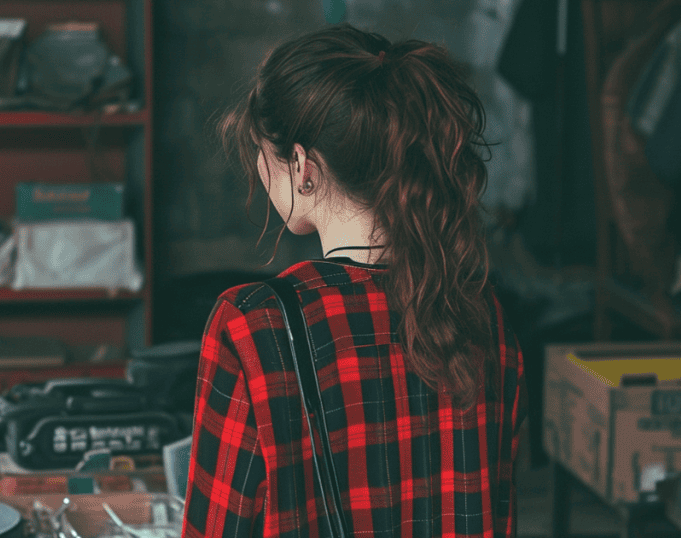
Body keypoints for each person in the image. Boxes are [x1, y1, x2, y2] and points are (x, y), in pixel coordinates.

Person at [181, 23, 527, 538]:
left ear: (302, 166)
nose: (258, 167)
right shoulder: (481, 312)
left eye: (261, 150)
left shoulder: (253, 325)